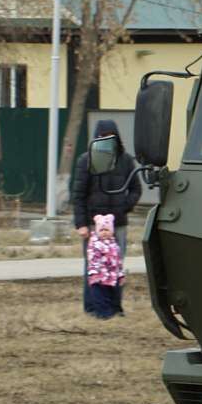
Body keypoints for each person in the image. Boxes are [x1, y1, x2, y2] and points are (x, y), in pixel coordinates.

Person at [71, 119, 140, 315]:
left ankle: (115, 307)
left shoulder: (126, 160)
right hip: (94, 225)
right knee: (93, 267)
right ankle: (92, 307)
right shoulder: (85, 161)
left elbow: (136, 188)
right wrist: (81, 224)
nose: (106, 140)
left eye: (110, 135)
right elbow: (78, 195)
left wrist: (124, 207)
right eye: (101, 136)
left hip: (117, 225)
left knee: (115, 265)